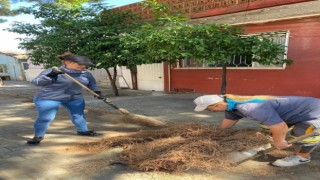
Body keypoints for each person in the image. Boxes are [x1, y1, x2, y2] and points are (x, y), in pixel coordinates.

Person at [193, 94, 320, 167]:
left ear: (218, 105)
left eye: (210, 109)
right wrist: (214, 134)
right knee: (266, 125)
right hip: (292, 113)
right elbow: (228, 123)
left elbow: (280, 126)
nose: (211, 112)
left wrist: (279, 141)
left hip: (313, 112)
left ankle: (301, 156)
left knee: (305, 132)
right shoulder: (232, 106)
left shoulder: (249, 107)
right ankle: (265, 144)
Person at [27, 52, 105, 145]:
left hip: (74, 98)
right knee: (46, 117)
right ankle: (38, 136)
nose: (84, 66)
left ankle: (82, 131)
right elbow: (36, 82)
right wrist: (51, 75)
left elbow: (92, 84)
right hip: (49, 98)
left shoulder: (86, 73)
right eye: (80, 64)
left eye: (85, 65)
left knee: (78, 115)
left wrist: (97, 92)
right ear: (67, 62)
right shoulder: (54, 71)